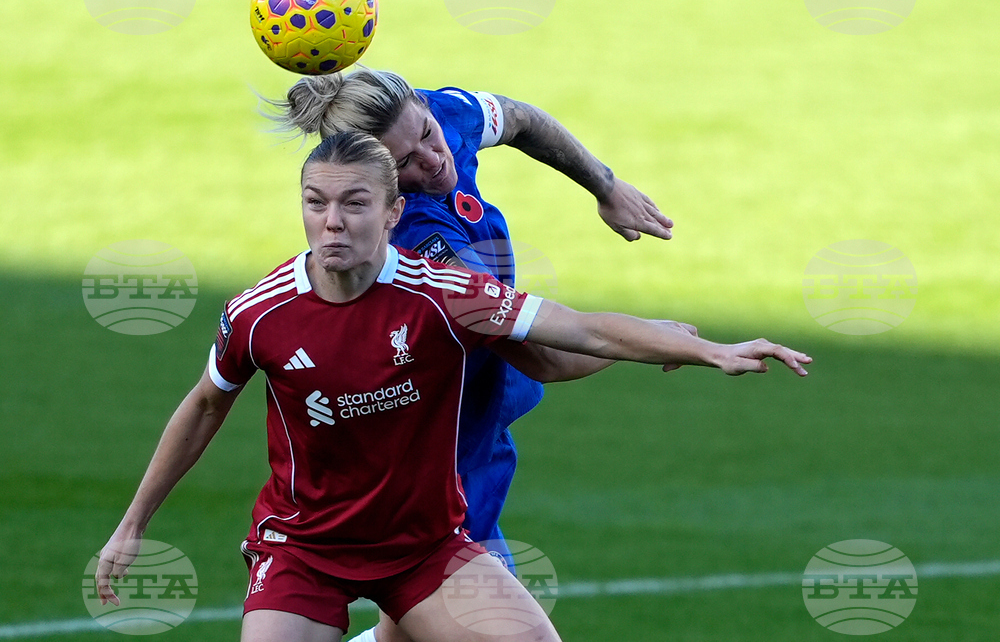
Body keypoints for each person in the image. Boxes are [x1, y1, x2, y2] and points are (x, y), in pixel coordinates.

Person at [96, 131, 811, 642]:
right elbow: (205, 405)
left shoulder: (446, 294)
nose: (332, 222)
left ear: (393, 212)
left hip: (425, 548)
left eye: (354, 204)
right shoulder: (261, 313)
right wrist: (132, 524)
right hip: (303, 549)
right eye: (316, 202)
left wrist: (705, 349)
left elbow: (580, 333)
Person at [270, 68, 673, 642]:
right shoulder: (415, 233)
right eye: (405, 164)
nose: (432, 160)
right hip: (438, 448)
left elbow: (523, 120)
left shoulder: (440, 114)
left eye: (427, 135)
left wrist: (605, 186)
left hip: (478, 415)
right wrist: (653, 339)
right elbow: (539, 354)